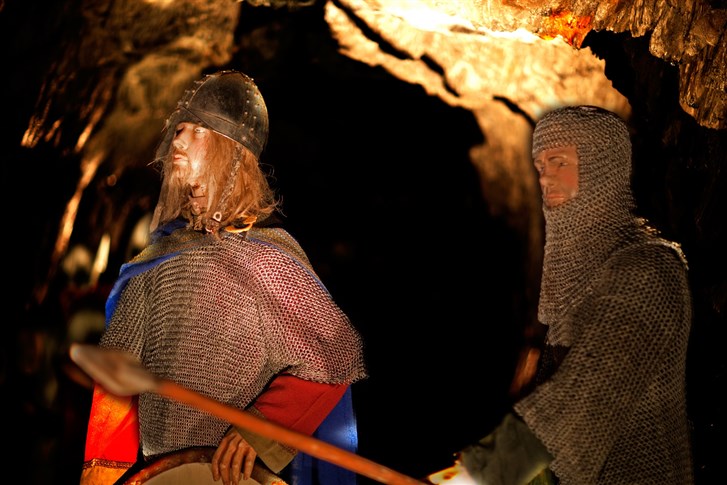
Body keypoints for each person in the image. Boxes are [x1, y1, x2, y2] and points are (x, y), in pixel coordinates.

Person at [79, 70, 368, 485]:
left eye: (198, 130)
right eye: (179, 128)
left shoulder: (267, 262)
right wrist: (103, 479)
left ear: (232, 151)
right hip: (159, 474)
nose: (178, 142)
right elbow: (116, 389)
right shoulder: (156, 263)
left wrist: (259, 430)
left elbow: (335, 357)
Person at [427, 105, 694, 484]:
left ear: (603, 165)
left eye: (559, 162)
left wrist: (484, 473)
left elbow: (587, 397)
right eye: (540, 167)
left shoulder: (647, 272)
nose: (546, 179)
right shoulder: (586, 281)